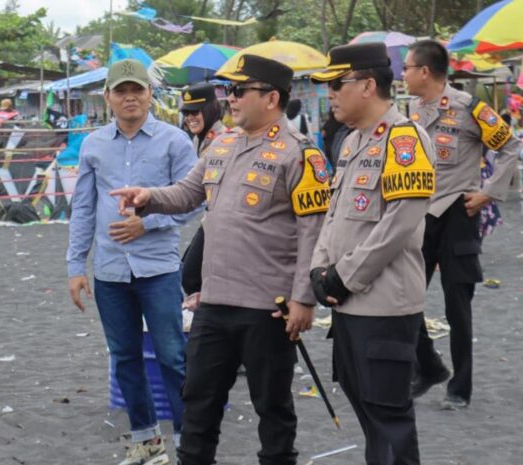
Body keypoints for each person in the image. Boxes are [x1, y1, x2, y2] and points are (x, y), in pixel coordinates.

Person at [112, 54, 328, 465]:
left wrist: (303, 298)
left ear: (271, 98)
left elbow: (313, 232)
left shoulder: (299, 153)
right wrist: (148, 197)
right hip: (213, 303)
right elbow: (187, 193)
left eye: (239, 90)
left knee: (273, 408)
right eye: (228, 90)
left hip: (268, 307)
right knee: (198, 403)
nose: (229, 98)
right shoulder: (223, 144)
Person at [66, 58, 199, 465]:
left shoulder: (175, 141)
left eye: (137, 90)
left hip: (158, 269)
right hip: (109, 272)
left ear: (150, 94)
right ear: (107, 96)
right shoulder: (93, 145)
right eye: (121, 91)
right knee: (124, 357)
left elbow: (194, 201)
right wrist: (76, 267)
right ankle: (147, 443)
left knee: (172, 357)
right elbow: (83, 207)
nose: (129, 98)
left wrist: (148, 222)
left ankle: (189, 443)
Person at [310, 43, 436, 465]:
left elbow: (400, 223)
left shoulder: (405, 139)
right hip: (348, 306)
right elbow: (334, 215)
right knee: (368, 413)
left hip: (383, 306)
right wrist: (319, 268)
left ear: (366, 85)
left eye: (336, 83)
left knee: (389, 419)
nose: (330, 93)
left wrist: (345, 276)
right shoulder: (351, 142)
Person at [402, 39, 520, 409]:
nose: (403, 74)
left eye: (407, 68)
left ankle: (459, 389)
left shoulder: (470, 108)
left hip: (459, 213)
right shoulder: (411, 111)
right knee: (404, 295)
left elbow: (510, 147)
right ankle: (429, 367)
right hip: (421, 216)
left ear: (424, 71)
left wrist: (488, 193)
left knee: (458, 308)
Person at [178, 82, 225, 305]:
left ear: (209, 109)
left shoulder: (222, 139)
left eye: (195, 112)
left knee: (191, 274)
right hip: (210, 215)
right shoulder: (199, 138)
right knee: (189, 271)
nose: (190, 118)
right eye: (186, 113)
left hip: (224, 218)